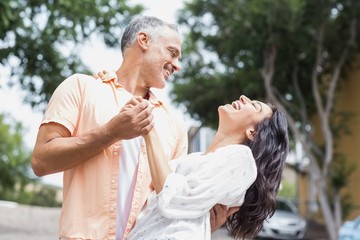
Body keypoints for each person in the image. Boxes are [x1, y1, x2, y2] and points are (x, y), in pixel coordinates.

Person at [31, 16, 189, 240]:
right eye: (172, 52)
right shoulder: (81, 88)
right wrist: (111, 133)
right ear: (143, 40)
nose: (177, 65)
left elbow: (172, 202)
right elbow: (40, 162)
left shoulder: (175, 125)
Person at [126, 95, 289, 240]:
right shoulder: (194, 159)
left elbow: (174, 197)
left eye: (254, 105)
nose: (243, 97)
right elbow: (157, 185)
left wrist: (149, 130)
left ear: (253, 133)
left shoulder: (241, 160)